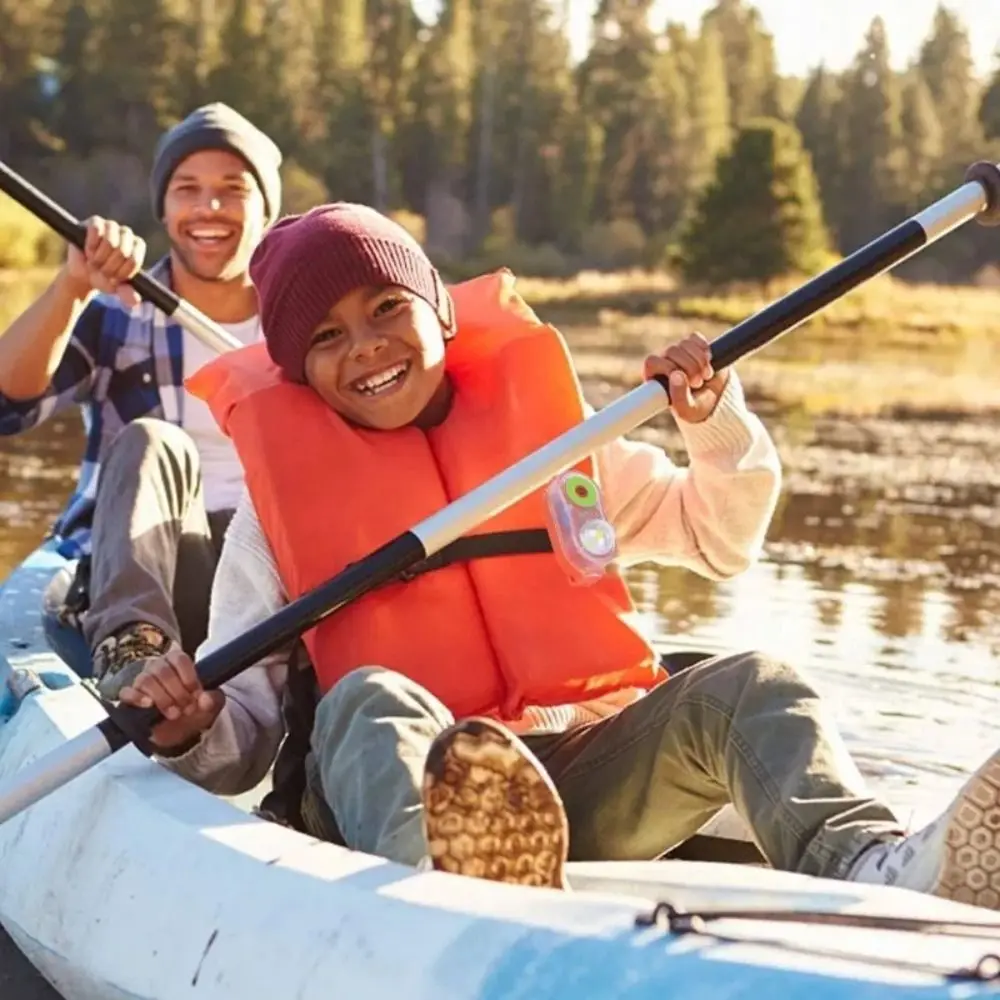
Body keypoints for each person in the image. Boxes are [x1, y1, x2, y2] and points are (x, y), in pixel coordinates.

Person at [120, 204, 1000, 909]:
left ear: (439, 312)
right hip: (381, 804)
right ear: (298, 373)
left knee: (752, 685)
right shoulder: (276, 520)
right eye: (326, 337)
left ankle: (873, 866)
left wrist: (710, 425)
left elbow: (717, 537)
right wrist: (195, 724)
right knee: (366, 698)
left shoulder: (559, 450)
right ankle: (443, 895)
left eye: (387, 308)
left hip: (570, 779)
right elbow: (239, 746)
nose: (367, 346)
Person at [0, 103, 282, 698]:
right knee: (152, 441)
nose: (209, 207)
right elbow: (7, 405)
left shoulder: (303, 331)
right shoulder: (115, 315)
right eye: (187, 189)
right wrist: (72, 286)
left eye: (233, 189)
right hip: (157, 570)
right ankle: (133, 648)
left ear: (266, 210)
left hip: (271, 578)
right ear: (164, 208)